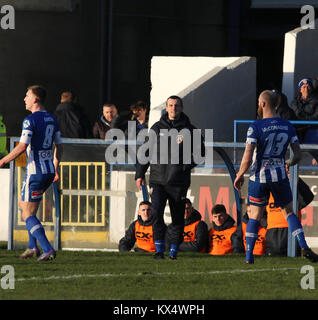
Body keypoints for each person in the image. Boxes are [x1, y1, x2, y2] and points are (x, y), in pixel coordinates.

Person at [234, 89, 318, 264]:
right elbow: (297, 155)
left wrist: (240, 174)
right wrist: (286, 164)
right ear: (277, 104)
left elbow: (248, 156)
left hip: (259, 177)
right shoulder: (288, 126)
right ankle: (303, 246)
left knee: (255, 215)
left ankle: (249, 255)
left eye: (259, 102)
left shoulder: (255, 126)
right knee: (288, 213)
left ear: (263, 104)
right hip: (279, 176)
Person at [135, 95, 205, 260]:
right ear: (166, 108)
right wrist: (139, 174)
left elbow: (201, 153)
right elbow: (146, 152)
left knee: (177, 217)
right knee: (157, 214)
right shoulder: (157, 128)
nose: (173, 108)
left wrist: (184, 166)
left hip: (178, 182)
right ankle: (159, 251)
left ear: (181, 108)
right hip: (158, 181)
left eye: (176, 106)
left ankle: (173, 250)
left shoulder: (190, 129)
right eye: (171, 105)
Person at [0, 85, 63, 261]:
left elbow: (22, 146)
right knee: (27, 208)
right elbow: (60, 146)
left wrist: (3, 161)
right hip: (48, 171)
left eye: (27, 95)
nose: (24, 99)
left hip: (35, 172)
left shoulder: (30, 120)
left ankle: (47, 249)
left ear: (35, 99)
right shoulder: (52, 119)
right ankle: (32, 247)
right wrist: (56, 168)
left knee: (26, 214)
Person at [265, 168, 314, 256]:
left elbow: (308, 197)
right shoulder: (269, 185)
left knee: (293, 258)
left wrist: (297, 180)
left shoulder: (293, 187)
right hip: (272, 231)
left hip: (291, 229)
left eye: (288, 171)